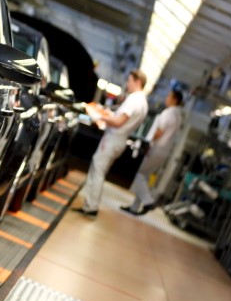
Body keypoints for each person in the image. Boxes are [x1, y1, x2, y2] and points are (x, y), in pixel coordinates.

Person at [73, 69, 149, 217]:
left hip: (113, 138)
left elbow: (119, 121)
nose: (128, 84)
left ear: (138, 82)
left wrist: (98, 115)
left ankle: (91, 206)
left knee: (98, 171)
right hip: (119, 139)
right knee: (99, 170)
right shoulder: (143, 103)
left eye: (130, 81)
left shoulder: (134, 99)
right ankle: (90, 204)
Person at [121, 89, 184, 215]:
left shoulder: (169, 113)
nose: (166, 98)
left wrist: (148, 144)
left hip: (156, 148)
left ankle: (148, 201)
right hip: (164, 151)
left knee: (138, 174)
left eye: (169, 96)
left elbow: (159, 132)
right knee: (144, 176)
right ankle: (135, 207)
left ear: (175, 99)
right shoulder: (179, 116)